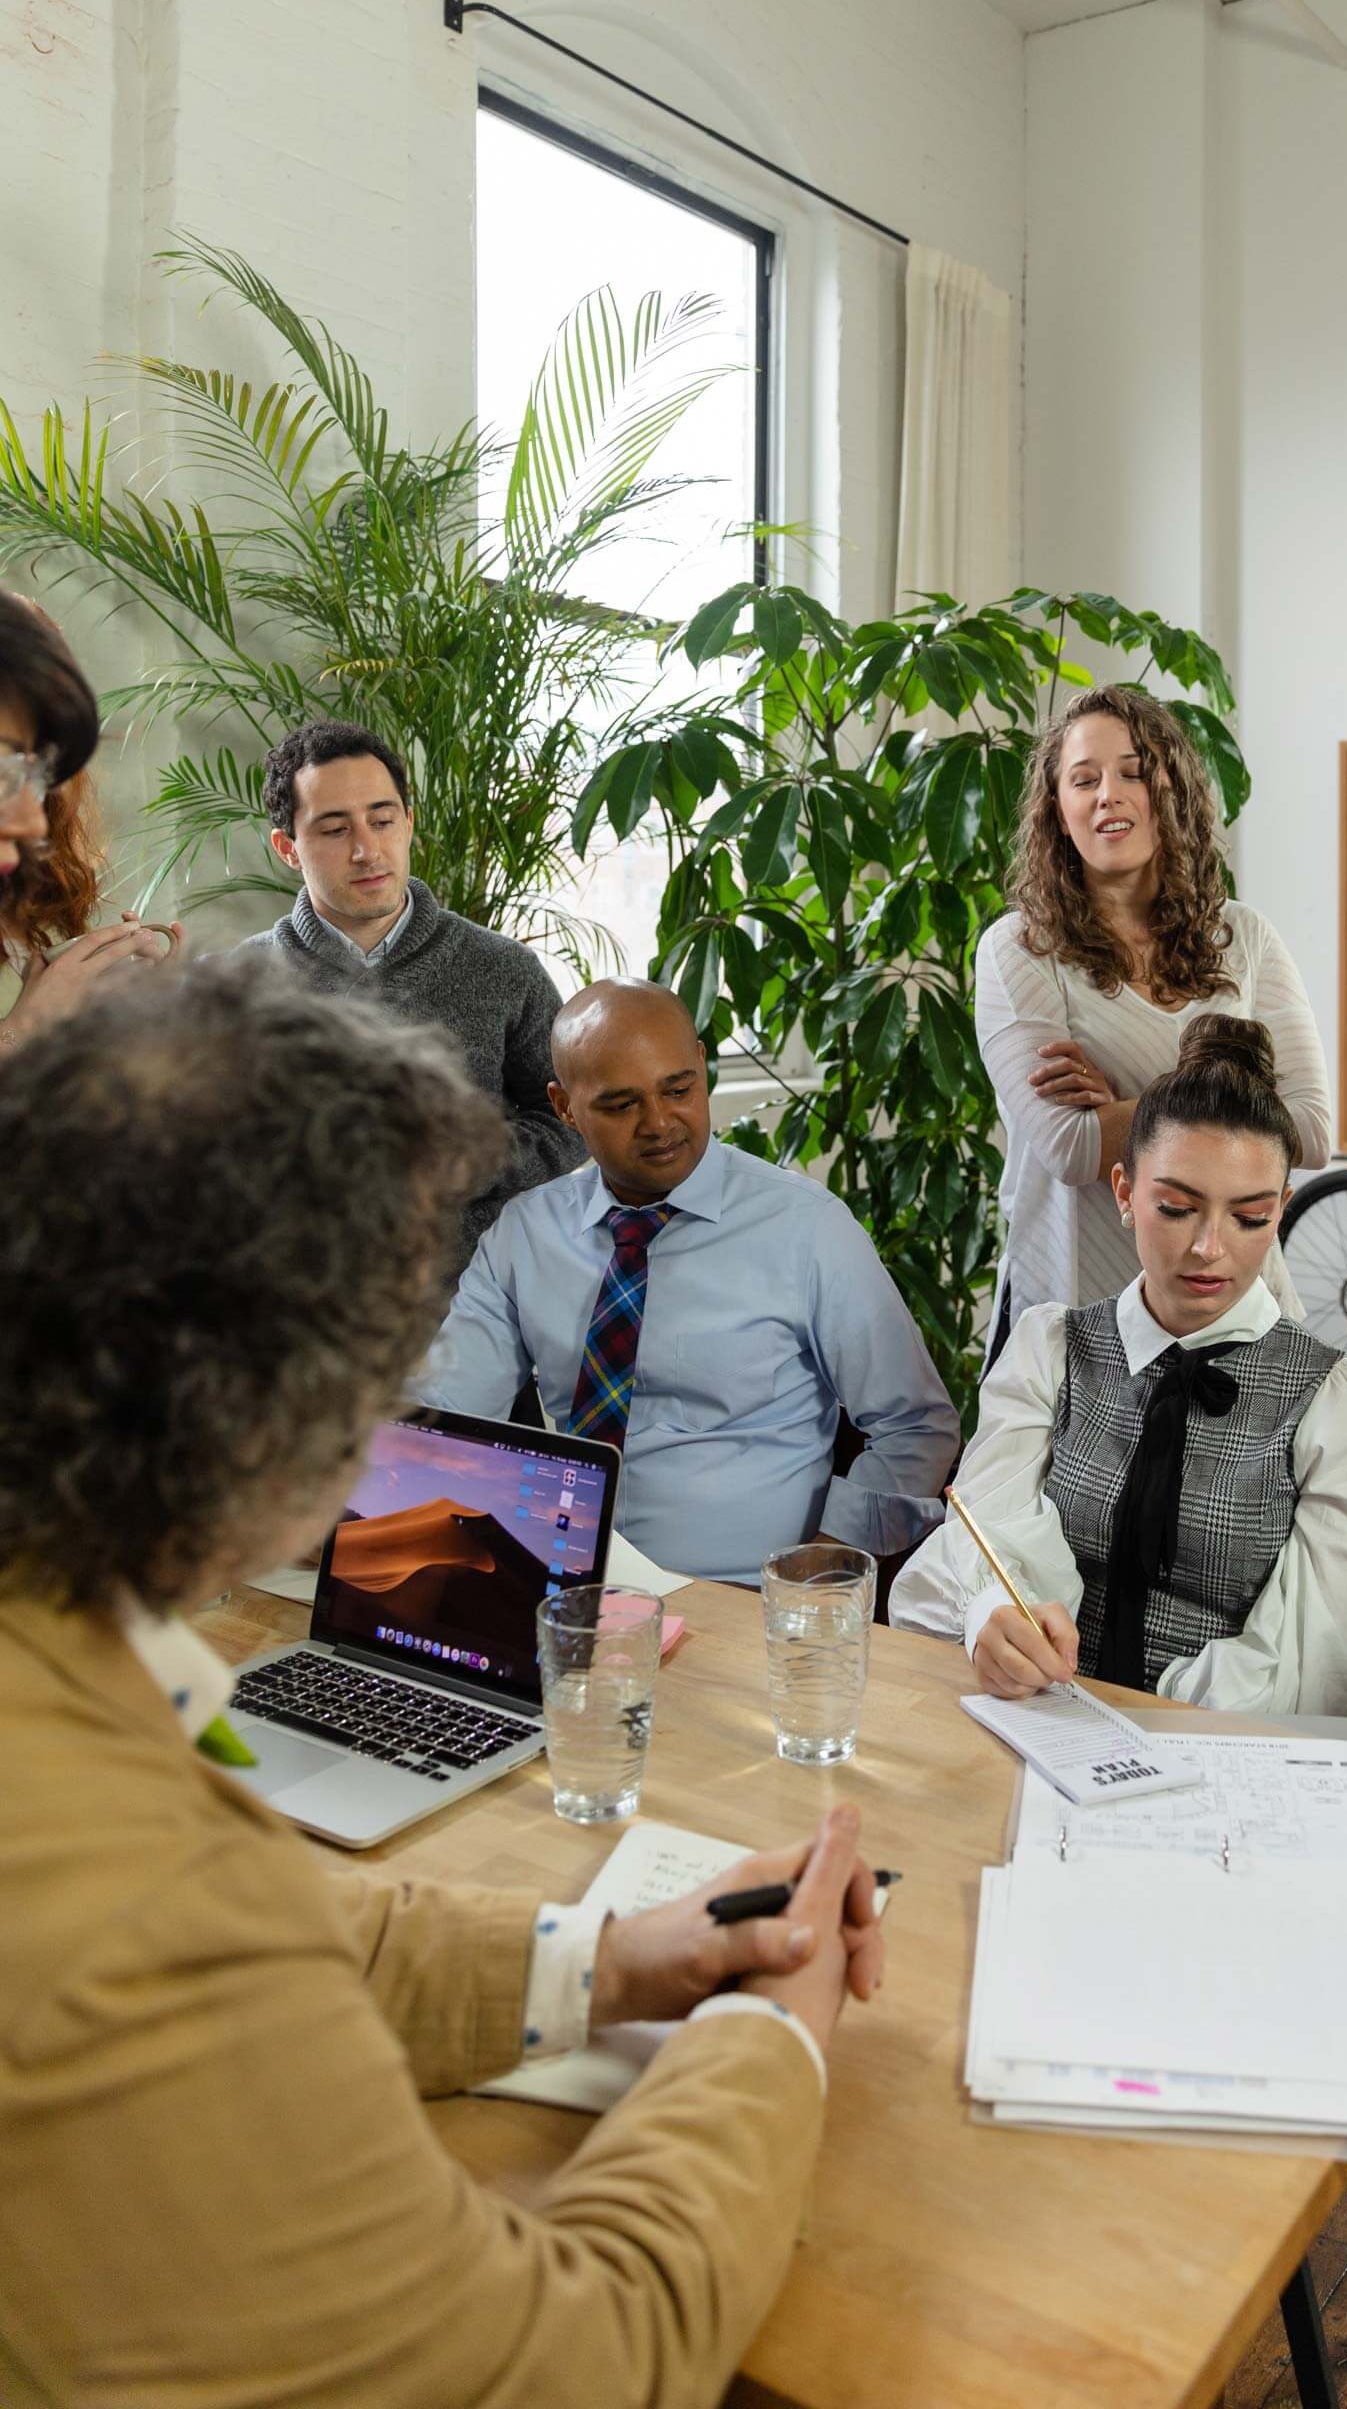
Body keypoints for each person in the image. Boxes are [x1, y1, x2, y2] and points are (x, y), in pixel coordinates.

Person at [0, 957, 886, 2409]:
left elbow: (304, 1928)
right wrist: (760, 2035)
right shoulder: (130, 1926)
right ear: (299, 1409)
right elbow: (577, 2363)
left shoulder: (61, 1665)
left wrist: (618, 1959)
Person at [891, 1016, 1347, 1714]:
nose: (1208, 1248)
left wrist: (1136, 1722)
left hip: (1222, 1756)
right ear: (1126, 1193)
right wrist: (989, 1616)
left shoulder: (1343, 1402)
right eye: (1176, 1207)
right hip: (1033, 1720)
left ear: (1281, 1211)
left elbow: (1314, 1674)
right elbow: (979, 1546)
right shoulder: (1051, 1351)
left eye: (1249, 1217)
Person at [422, 978, 961, 1579]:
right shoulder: (526, 1235)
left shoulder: (806, 1228)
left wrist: (821, 1564)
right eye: (622, 1104)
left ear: (702, 1066)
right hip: (564, 1585)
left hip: (743, 1597)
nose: (659, 1123)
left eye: (678, 1089)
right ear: (565, 1106)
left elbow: (917, 1425)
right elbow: (443, 1415)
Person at [975, 684, 1331, 1348]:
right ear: (1058, 809)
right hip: (1078, 1310)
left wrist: (1127, 1107)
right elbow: (1072, 1149)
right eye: (1083, 780)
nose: (1107, 793)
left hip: (1241, 1312)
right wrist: (1230, 1088)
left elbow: (1310, 1131)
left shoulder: (1245, 938)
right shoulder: (1018, 950)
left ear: (1173, 792)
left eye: (1132, 773)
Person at [241, 716, 581, 1261]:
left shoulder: (503, 969)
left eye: (382, 820)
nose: (366, 850)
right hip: (296, 1315)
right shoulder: (241, 985)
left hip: (476, 1308)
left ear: (408, 822)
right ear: (287, 847)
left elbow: (573, 1116)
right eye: (334, 830)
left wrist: (461, 1163)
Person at [0, 589, 178, 1055]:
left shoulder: (34, 883)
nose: (30, 822)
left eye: (33, 771)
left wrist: (98, 1008)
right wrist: (26, 1023)